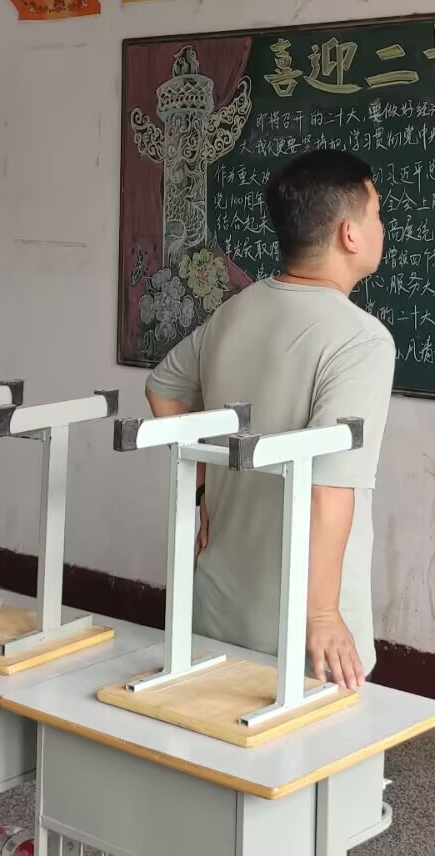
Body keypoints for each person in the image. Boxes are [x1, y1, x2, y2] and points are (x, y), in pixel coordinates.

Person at [145, 148, 393, 690]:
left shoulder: (233, 312)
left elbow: (162, 389)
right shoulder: (361, 340)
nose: (382, 226)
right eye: (376, 213)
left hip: (214, 607)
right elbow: (330, 485)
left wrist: (202, 487)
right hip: (299, 633)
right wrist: (322, 613)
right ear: (349, 234)